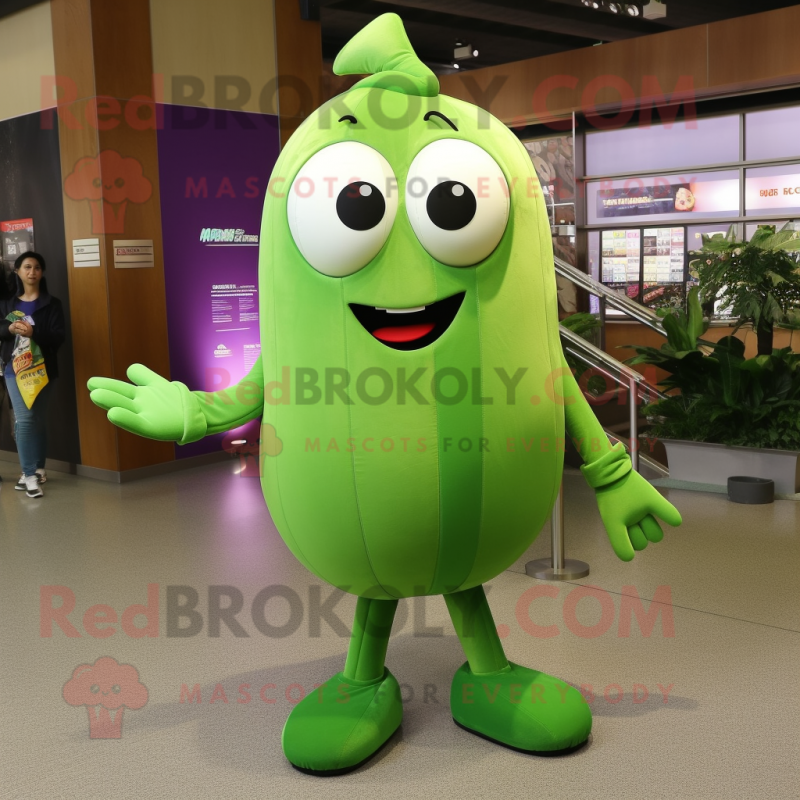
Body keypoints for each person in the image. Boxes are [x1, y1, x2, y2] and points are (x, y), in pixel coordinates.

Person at [0, 251, 65, 498]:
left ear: (42, 272)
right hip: (14, 370)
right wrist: (9, 328)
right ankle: (27, 476)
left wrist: (33, 333)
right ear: (17, 271)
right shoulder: (7, 303)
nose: (32, 271)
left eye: (37, 267)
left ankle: (38, 468)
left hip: (43, 370)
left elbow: (58, 336)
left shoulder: (52, 304)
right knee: (25, 419)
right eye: (27, 267)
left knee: (37, 419)